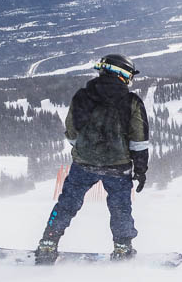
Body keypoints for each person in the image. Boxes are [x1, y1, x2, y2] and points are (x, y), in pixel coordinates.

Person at [35, 53, 149, 265]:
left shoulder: (82, 96)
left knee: (67, 204)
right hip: (118, 167)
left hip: (84, 164)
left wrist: (86, 150)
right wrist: (140, 169)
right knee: (120, 208)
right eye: (129, 75)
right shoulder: (131, 101)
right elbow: (139, 140)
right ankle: (123, 248)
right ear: (122, 74)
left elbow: (72, 131)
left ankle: (48, 243)